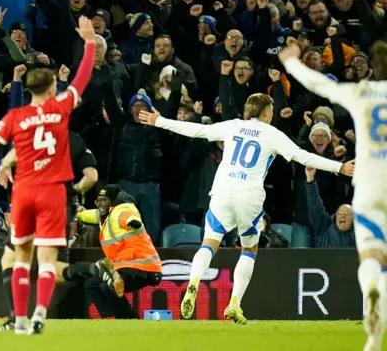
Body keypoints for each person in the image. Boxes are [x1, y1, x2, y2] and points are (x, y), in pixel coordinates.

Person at [139, 92, 355, 324]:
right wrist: (339, 167)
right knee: (249, 249)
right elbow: (302, 156)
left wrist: (159, 121)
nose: (272, 116)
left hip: (222, 192)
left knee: (209, 244)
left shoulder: (233, 126)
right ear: (264, 112)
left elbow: (197, 130)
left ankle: (193, 282)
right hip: (249, 197)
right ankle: (234, 303)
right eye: (271, 111)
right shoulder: (272, 134)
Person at [0, 16, 96, 335]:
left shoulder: (16, 116)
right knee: (47, 261)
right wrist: (88, 43)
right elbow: (82, 79)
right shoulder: (60, 109)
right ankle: (40, 315)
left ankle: (18, 320)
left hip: (25, 192)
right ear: (52, 88)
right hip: (54, 192)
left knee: (20, 256)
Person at [280, 41, 387, 351]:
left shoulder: (361, 94)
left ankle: (372, 330)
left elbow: (320, 84)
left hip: (366, 184)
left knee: (369, 256)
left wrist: (292, 64)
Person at [0, 130, 123, 331]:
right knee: (55, 268)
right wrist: (76, 191)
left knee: (11, 260)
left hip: (31, 204)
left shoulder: (30, 133)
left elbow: (11, 161)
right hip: (61, 207)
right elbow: (91, 176)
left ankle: (15, 319)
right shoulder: (74, 139)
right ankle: (94, 268)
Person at [78, 185, 162, 319]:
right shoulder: (102, 215)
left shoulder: (121, 211)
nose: (100, 204)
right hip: (125, 266)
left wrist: (133, 222)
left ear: (113, 202)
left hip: (144, 268)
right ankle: (109, 318)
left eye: (104, 200)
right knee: (91, 285)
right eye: (98, 200)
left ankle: (130, 319)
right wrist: (78, 213)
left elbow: (128, 217)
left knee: (109, 286)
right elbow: (87, 215)